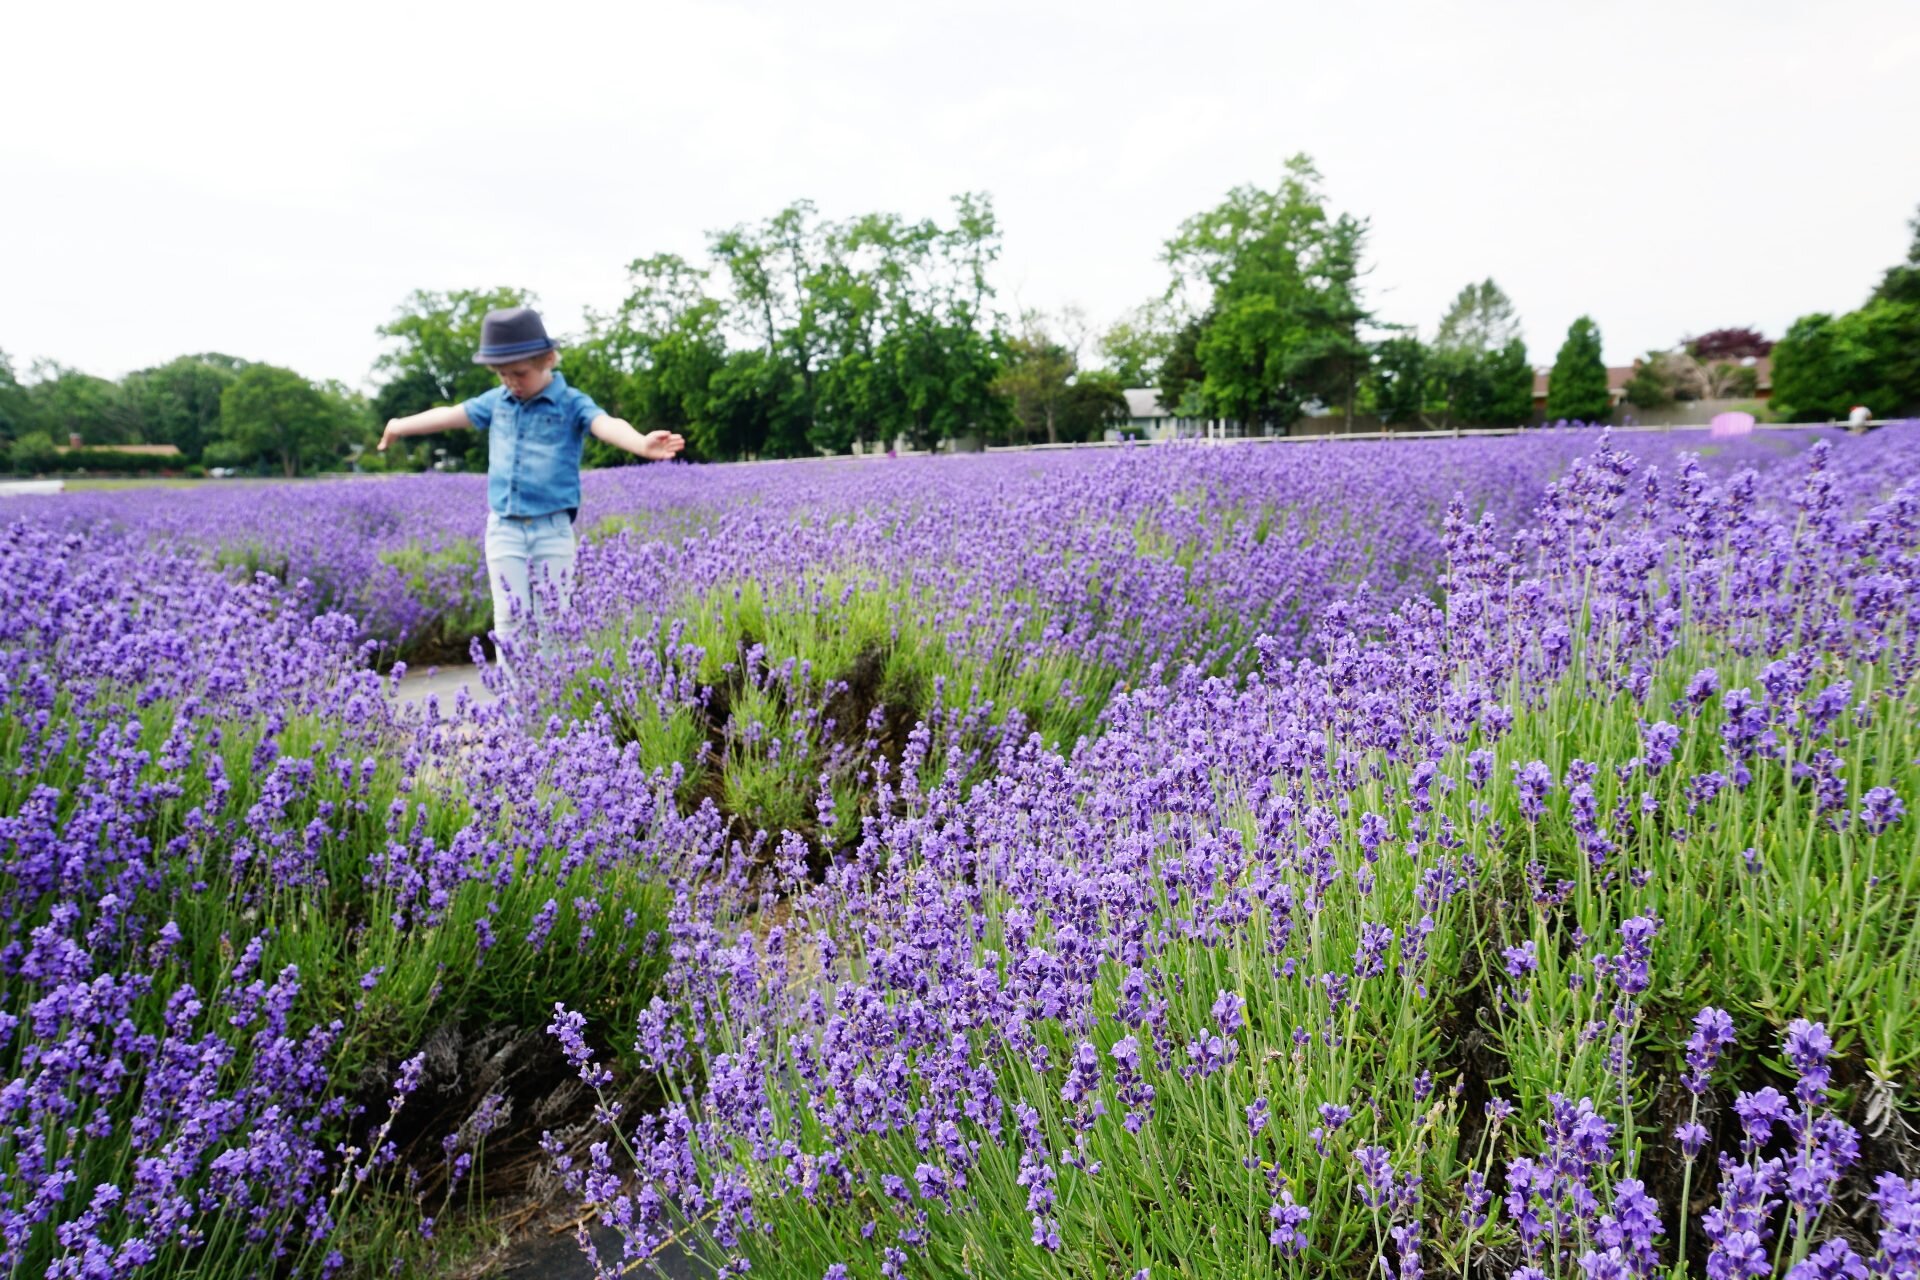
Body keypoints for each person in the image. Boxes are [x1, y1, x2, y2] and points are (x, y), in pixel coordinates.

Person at [378, 306, 684, 670]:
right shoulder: (497, 402)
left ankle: (554, 706)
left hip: (552, 529)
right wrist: (399, 424)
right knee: (510, 622)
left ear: (549, 360)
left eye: (519, 373)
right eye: (502, 374)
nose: (511, 382)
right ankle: (514, 713)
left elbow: (605, 423)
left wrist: (640, 444)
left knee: (555, 623)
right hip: (504, 528)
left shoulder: (571, 403)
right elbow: (449, 414)